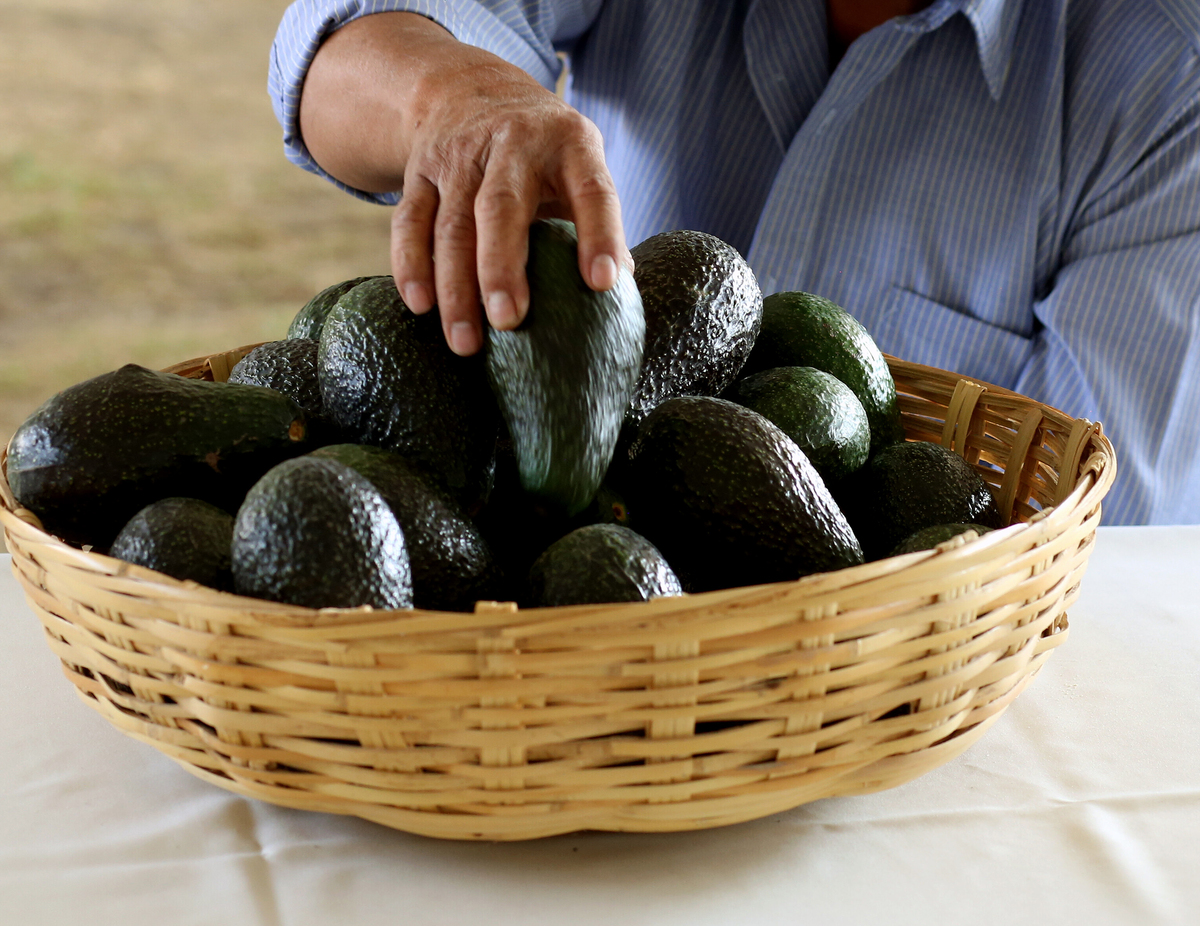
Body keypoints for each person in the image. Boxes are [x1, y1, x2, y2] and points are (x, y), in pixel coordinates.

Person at [268, 0, 1200, 525]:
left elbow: (1091, 539)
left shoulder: (1168, 71)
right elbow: (335, 39)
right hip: (570, 658)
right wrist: (454, 98)